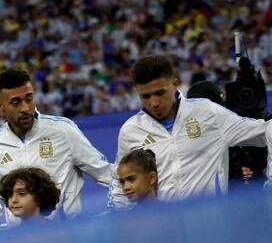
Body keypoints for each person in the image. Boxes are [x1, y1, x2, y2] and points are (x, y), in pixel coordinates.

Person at [115, 55, 272, 201]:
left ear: (175, 84)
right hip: (161, 226)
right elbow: (119, 183)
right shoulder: (130, 131)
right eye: (145, 97)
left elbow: (264, 132)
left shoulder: (207, 112)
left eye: (159, 93)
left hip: (208, 222)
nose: (154, 103)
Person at [0, 68, 119, 228]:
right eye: (16, 102)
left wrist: (122, 208)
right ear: (0, 107)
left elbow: (106, 173)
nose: (25, 108)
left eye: (29, 99)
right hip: (22, 242)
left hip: (68, 236)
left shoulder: (63, 131)